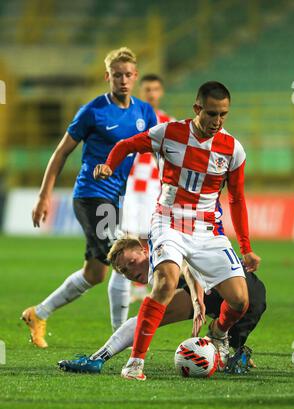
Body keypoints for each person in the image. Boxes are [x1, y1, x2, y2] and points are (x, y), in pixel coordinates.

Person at [94, 81, 261, 380]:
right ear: (197, 109)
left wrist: (246, 247)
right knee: (166, 282)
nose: (217, 121)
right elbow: (125, 146)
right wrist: (109, 165)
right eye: (211, 113)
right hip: (169, 219)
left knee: (240, 300)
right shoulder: (169, 133)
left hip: (207, 228)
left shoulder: (233, 149)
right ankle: (135, 363)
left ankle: (219, 333)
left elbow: (236, 198)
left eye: (223, 114)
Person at [21, 47, 157, 348]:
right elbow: (61, 153)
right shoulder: (93, 111)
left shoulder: (145, 112)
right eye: (117, 75)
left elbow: (159, 149)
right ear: (107, 76)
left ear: (135, 77)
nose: (123, 80)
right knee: (126, 259)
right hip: (91, 196)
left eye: (128, 75)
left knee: (95, 273)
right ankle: (121, 340)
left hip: (115, 200)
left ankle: (38, 313)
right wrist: (44, 196)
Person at [57, 237, 266, 374]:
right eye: (124, 271)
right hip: (221, 295)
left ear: (143, 249)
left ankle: (230, 347)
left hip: (244, 291)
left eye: (131, 262)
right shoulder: (153, 271)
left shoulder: (162, 248)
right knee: (148, 318)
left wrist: (196, 298)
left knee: (149, 317)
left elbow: (187, 266)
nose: (130, 271)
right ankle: (97, 359)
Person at [121, 74, 173, 303]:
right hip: (132, 185)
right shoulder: (129, 119)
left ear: (160, 92)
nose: (151, 93)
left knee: (152, 236)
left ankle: (153, 282)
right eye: (147, 89)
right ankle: (136, 285)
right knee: (130, 236)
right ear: (141, 92)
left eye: (155, 89)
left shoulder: (168, 122)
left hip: (156, 186)